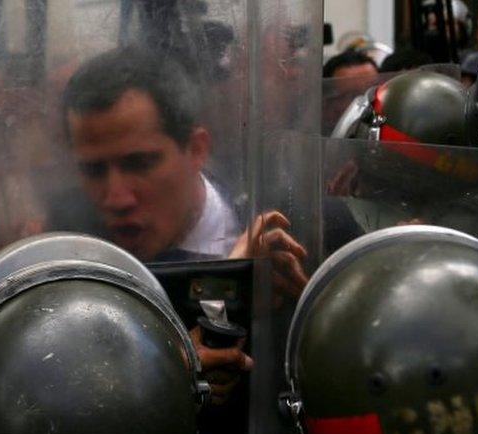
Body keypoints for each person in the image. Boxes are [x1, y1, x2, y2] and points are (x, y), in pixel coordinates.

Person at [61, 47, 308, 409]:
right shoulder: (67, 255)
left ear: (196, 149)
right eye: (94, 171)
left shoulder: (295, 229)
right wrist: (233, 286)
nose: (116, 197)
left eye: (139, 163)